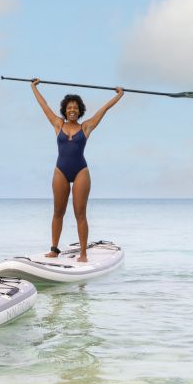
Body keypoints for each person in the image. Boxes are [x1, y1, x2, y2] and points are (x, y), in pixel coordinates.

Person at [30, 79, 124, 262]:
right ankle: (54, 249)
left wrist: (119, 95)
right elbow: (44, 105)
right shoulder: (58, 124)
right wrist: (33, 87)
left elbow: (103, 110)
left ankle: (83, 253)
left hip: (81, 171)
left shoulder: (86, 126)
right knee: (58, 212)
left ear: (80, 110)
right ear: (64, 110)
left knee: (80, 214)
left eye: (75, 107)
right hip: (61, 171)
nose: (72, 110)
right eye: (69, 107)